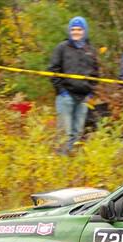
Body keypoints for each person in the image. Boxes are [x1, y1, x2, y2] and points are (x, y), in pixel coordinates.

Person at [48, 16, 99, 153]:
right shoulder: (62, 48)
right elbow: (53, 70)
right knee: (64, 133)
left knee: (77, 133)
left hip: (83, 98)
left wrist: (91, 91)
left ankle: (73, 163)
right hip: (66, 97)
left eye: (79, 29)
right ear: (69, 31)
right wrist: (61, 90)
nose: (76, 32)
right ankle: (62, 163)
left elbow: (95, 73)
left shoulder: (90, 50)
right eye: (73, 29)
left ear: (85, 31)